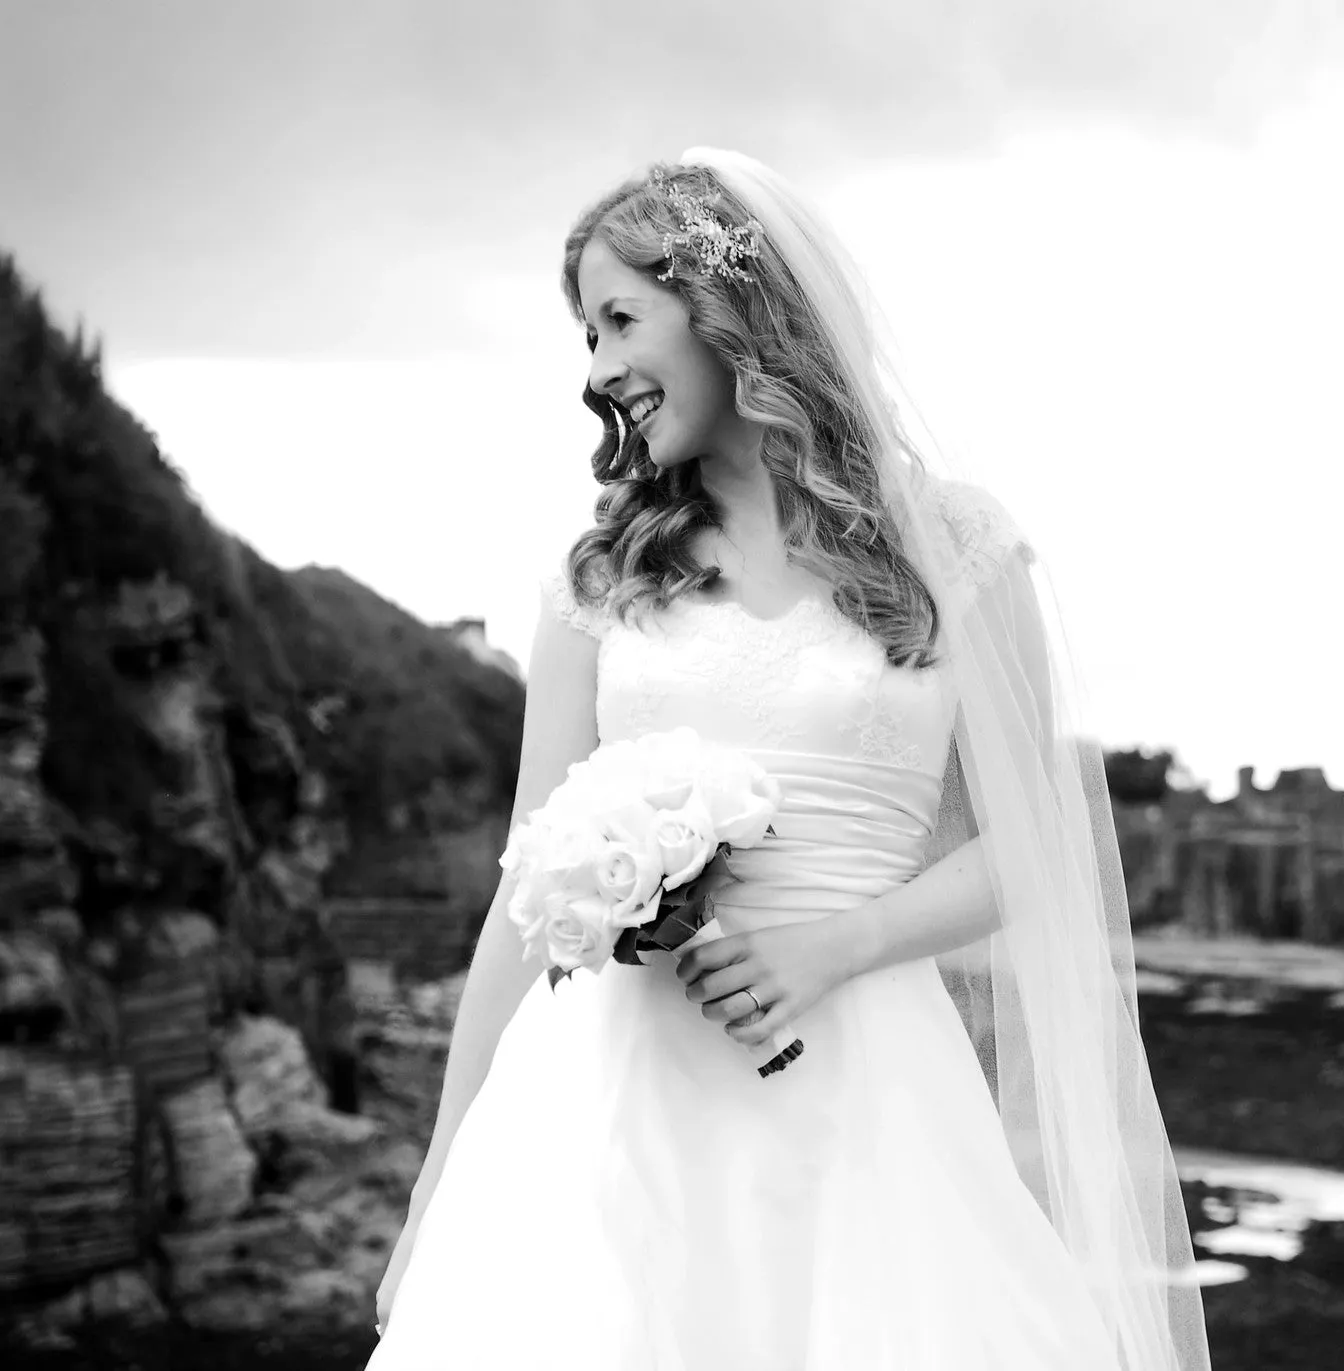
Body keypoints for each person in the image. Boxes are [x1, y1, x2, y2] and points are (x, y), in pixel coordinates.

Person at [365, 148, 1211, 1370]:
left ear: (722, 314)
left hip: (866, 1096)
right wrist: (440, 1174)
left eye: (617, 320)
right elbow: (526, 890)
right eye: (583, 336)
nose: (598, 372)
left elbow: (1036, 852)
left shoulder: (955, 548)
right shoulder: (595, 584)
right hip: (604, 1107)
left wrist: (835, 946)